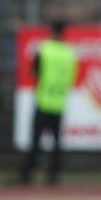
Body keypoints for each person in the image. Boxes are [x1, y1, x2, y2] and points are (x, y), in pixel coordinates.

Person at [19, 21, 78, 185]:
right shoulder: (68, 53)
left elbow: (34, 71)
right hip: (59, 102)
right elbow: (72, 76)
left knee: (35, 141)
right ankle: (53, 175)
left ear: (51, 32)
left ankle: (27, 174)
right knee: (57, 142)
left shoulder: (44, 49)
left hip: (44, 101)